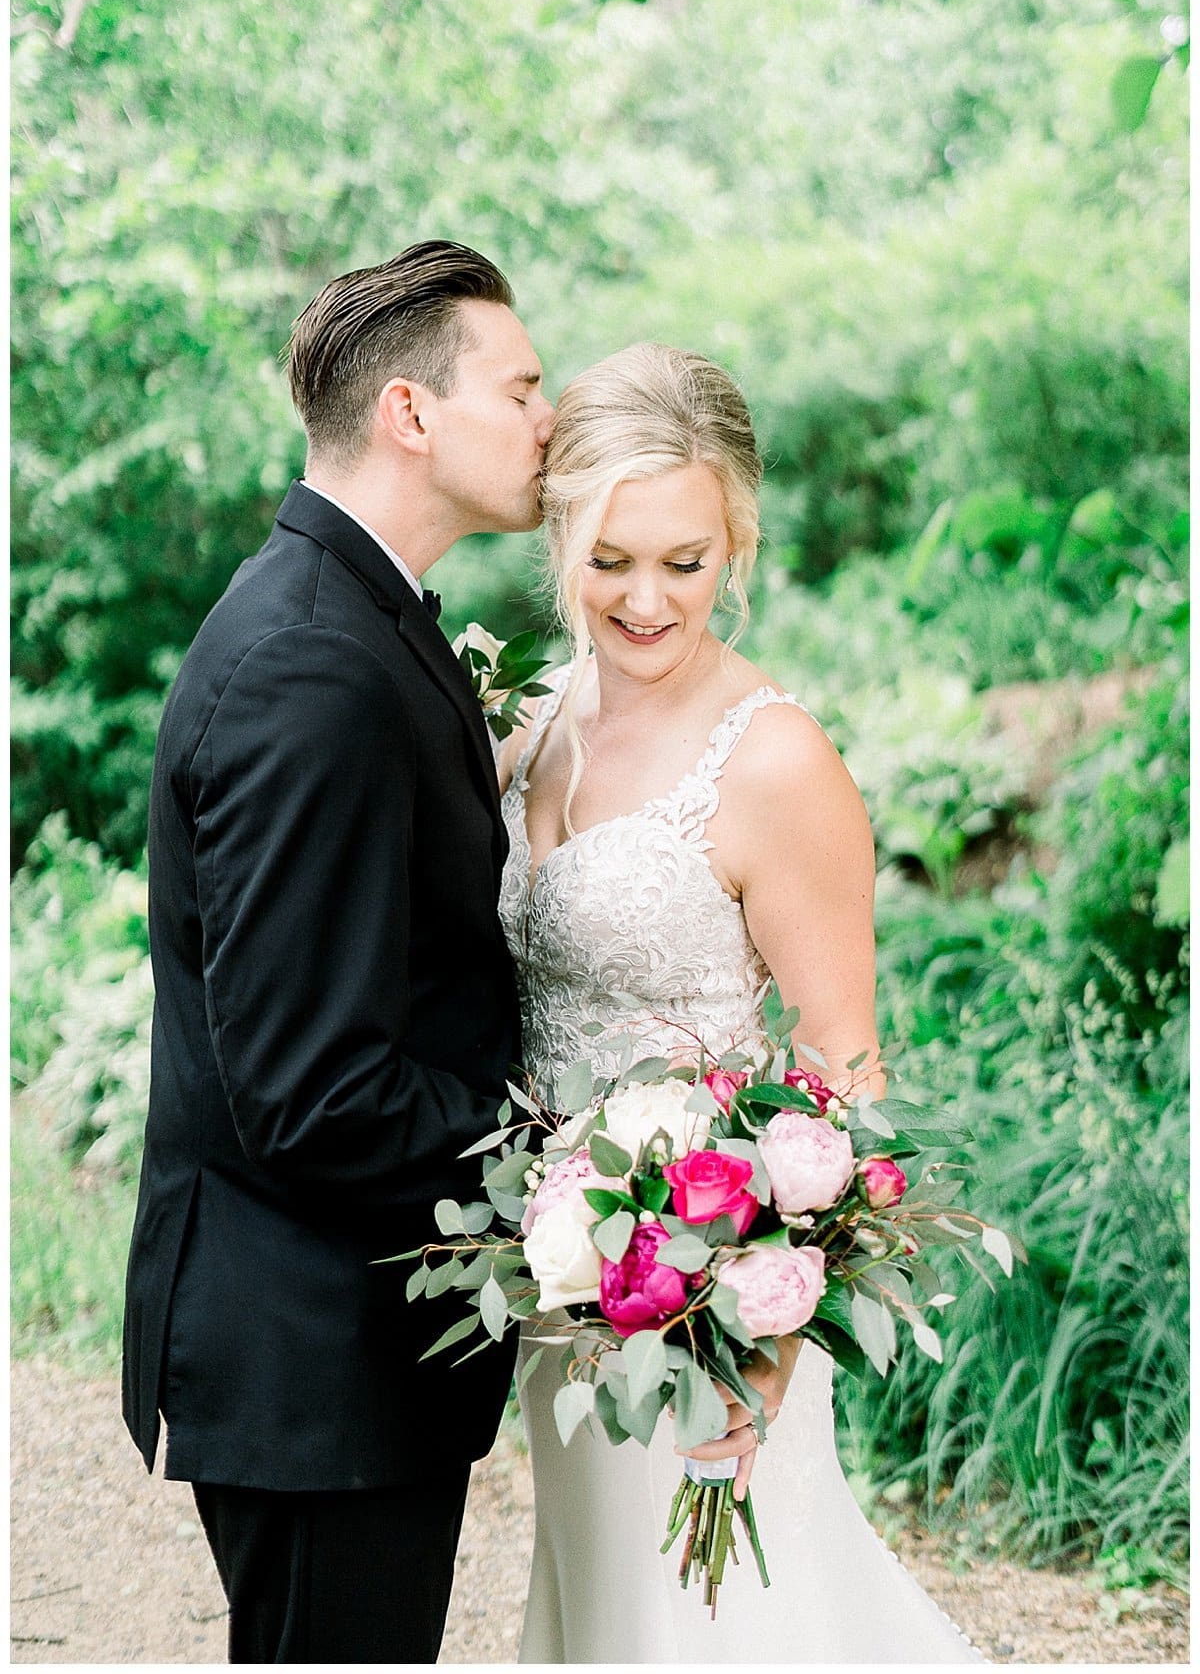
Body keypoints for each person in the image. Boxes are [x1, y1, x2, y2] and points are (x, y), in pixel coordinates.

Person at [496, 343, 981, 1662]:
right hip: (561, 1288)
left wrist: (772, 1339)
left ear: (741, 539)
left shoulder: (772, 760)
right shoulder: (532, 720)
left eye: (686, 561)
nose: (646, 600)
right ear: (559, 534)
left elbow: (848, 1068)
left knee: (719, 1622)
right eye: (610, 560)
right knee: (605, 1609)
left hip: (714, 1302)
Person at [122, 240, 554, 1663]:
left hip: (338, 1345)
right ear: (411, 413)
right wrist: (570, 1160)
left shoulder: (355, 616)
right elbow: (312, 1087)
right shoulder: (313, 661)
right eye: (523, 387)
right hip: (309, 1355)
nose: (549, 420)